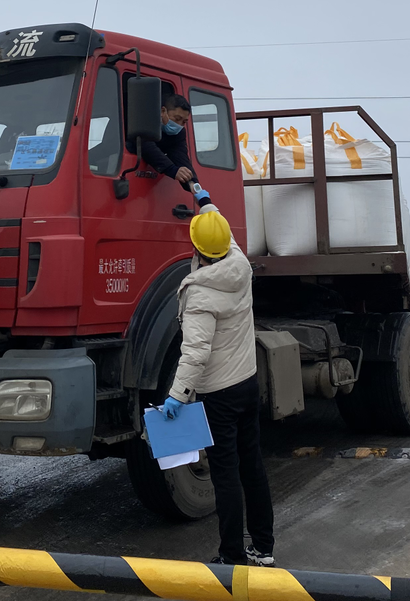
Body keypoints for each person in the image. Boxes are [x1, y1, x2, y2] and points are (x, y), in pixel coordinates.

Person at [162, 205, 275, 568]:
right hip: (247, 383)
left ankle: (232, 555)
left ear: (196, 249)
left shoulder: (199, 293)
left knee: (225, 476)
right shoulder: (240, 265)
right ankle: (263, 548)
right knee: (252, 466)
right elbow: (225, 238)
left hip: (219, 396)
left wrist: (176, 396)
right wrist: (205, 200)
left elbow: (195, 353)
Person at [129, 93, 198, 189]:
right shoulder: (144, 122)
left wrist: (194, 185)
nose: (179, 125)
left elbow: (181, 157)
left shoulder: (179, 134)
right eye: (177, 119)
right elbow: (146, 146)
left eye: (184, 122)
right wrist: (172, 169)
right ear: (163, 111)